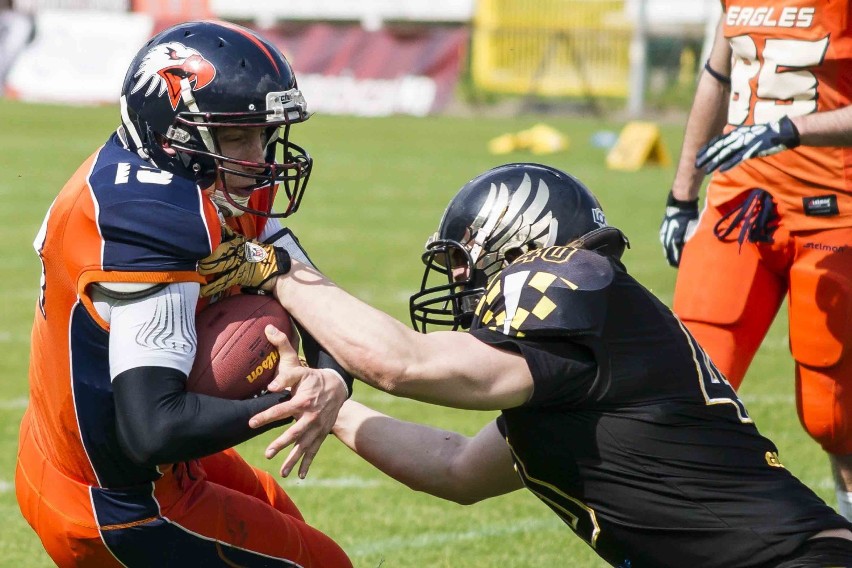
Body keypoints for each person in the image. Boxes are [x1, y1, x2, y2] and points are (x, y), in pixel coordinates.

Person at [202, 163, 852, 567]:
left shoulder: (573, 277)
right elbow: (455, 469)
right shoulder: (583, 354)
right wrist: (330, 403)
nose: (456, 282)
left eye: (461, 262)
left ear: (520, 240)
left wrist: (284, 269)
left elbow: (405, 364)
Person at [16, 20, 352, 567]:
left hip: (84, 458)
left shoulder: (196, 178)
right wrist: (293, 402)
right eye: (237, 135)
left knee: (279, 511)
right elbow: (155, 428)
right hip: (117, 501)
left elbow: (311, 294)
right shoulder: (153, 219)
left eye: (263, 133)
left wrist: (331, 377)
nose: (260, 155)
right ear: (175, 133)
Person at [658, 1, 852, 523]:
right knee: (683, 392)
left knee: (834, 417)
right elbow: (717, 77)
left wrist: (791, 130)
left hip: (836, 213)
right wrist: (682, 196)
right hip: (740, 208)